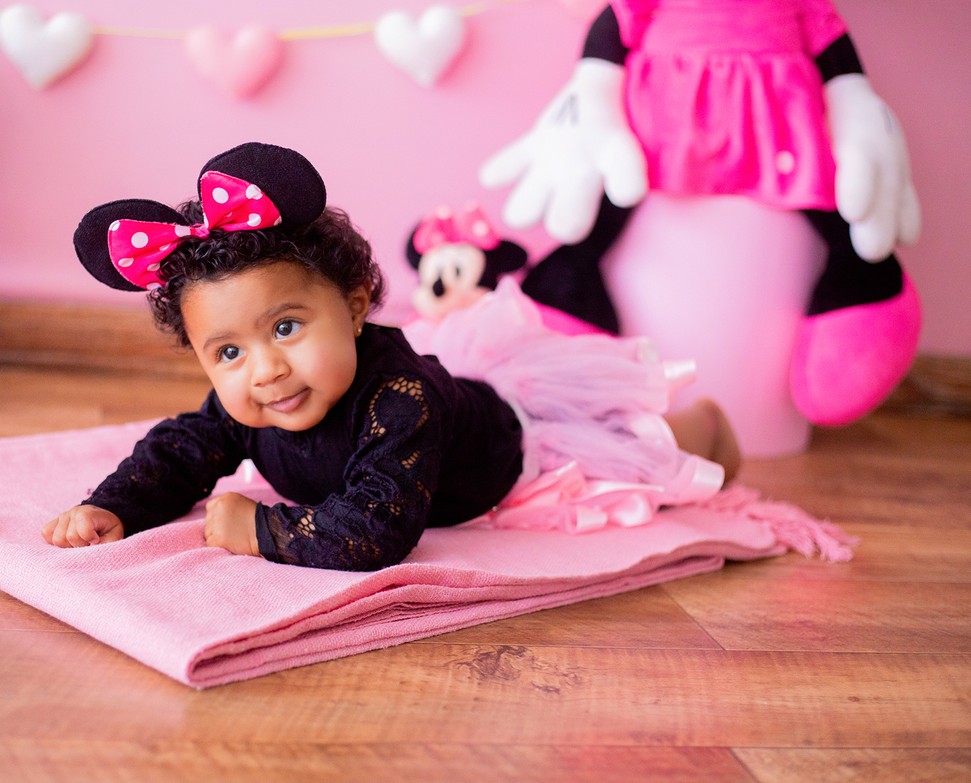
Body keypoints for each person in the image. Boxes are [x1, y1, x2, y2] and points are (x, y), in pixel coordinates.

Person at [42, 142, 741, 572]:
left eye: (285, 328)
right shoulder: (252, 399)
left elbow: (377, 529)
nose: (265, 369)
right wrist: (115, 506)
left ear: (353, 307)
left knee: (635, 456)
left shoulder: (398, 400)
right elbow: (179, 451)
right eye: (228, 351)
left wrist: (258, 528)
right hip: (452, 413)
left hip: (507, 450)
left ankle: (705, 426)